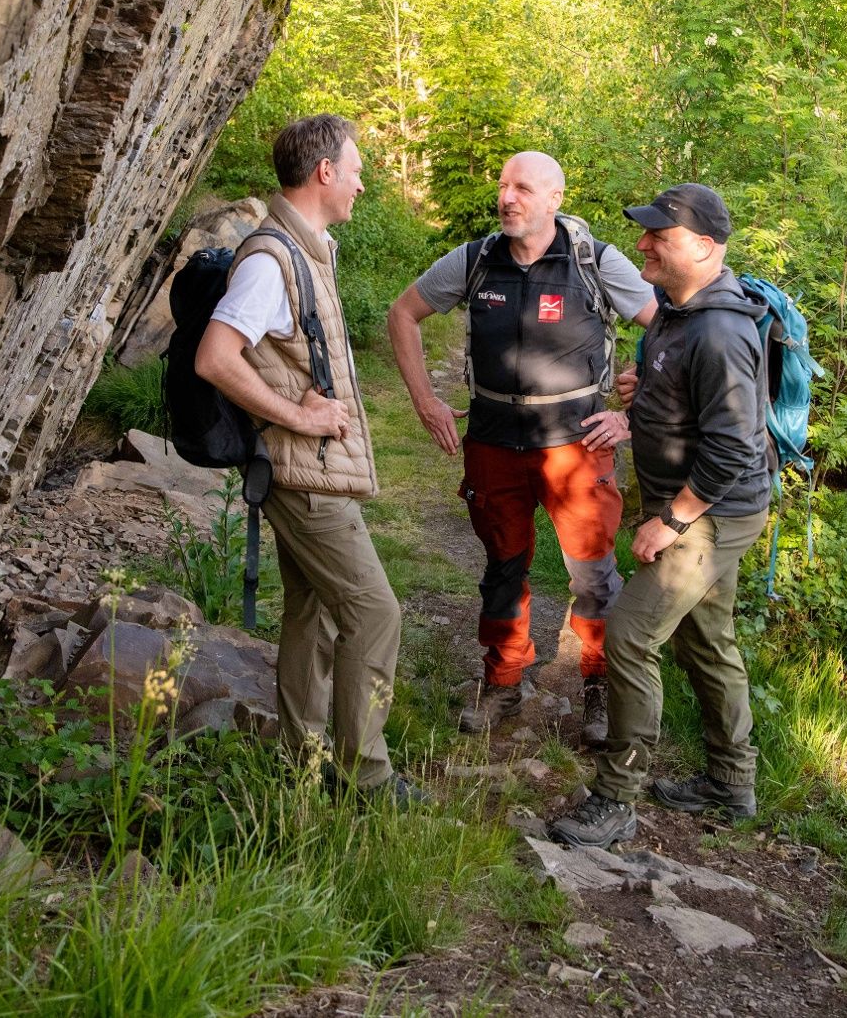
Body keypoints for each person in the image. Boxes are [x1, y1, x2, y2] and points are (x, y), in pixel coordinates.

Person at [386, 152, 656, 744]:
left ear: (555, 199)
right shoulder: (477, 259)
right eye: (504, 186)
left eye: (524, 188)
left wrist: (631, 412)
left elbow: (668, 327)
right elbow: (403, 313)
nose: (508, 198)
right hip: (492, 441)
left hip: (577, 446)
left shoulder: (594, 261)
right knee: (503, 567)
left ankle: (600, 689)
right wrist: (426, 401)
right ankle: (502, 682)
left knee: (592, 575)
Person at [195, 114, 420, 805]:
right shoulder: (272, 259)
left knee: (313, 611)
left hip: (307, 464)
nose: (361, 179)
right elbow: (215, 357)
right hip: (300, 470)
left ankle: (301, 759)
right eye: (355, 167)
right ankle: (365, 777)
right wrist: (298, 415)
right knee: (375, 612)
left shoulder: (310, 247)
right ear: (324, 171)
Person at [547, 183, 770, 847]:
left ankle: (617, 797)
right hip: (703, 505)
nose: (642, 244)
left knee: (627, 633)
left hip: (711, 514)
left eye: (658, 236)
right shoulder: (679, 311)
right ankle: (732, 782)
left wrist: (671, 520)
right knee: (707, 640)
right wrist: (644, 399)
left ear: (703, 246)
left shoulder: (722, 330)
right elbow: (691, 406)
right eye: (643, 233)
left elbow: (733, 444)